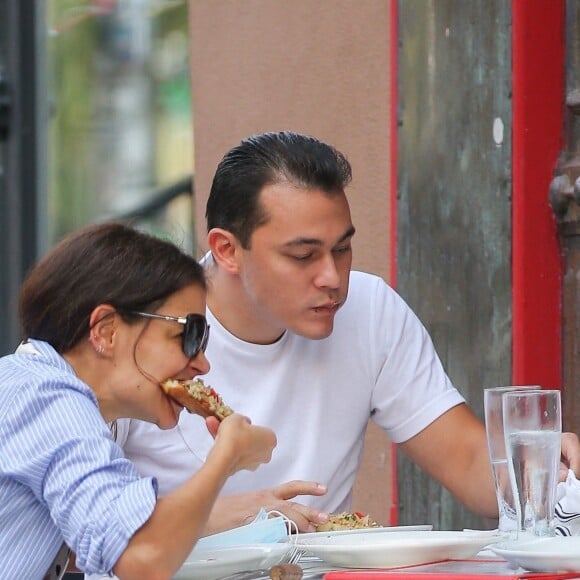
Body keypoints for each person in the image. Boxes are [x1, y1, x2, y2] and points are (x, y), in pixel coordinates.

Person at [114, 131, 580, 535]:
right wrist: (218, 518)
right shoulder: (142, 333)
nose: (332, 277)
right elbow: (74, 530)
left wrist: (537, 467)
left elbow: (466, 459)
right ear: (227, 250)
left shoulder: (368, 309)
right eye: (303, 256)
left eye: (343, 249)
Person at [0, 222, 277, 580]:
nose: (202, 363)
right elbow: (138, 556)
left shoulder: (36, 388)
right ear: (106, 330)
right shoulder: (47, 399)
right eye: (187, 335)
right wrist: (226, 458)